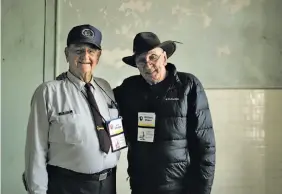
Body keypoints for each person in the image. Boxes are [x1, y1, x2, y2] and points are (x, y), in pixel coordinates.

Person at [23, 24, 126, 194]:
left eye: (91, 51)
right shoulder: (48, 92)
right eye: (78, 50)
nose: (85, 56)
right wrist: (37, 190)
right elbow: (36, 149)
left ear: (98, 57)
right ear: (66, 54)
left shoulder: (105, 88)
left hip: (108, 184)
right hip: (68, 186)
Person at [113, 32, 216, 194]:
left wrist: (203, 190)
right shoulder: (129, 88)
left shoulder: (188, 85)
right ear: (136, 65)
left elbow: (206, 145)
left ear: (164, 58)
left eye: (153, 57)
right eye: (141, 60)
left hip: (180, 188)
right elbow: (102, 99)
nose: (148, 65)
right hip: (141, 187)